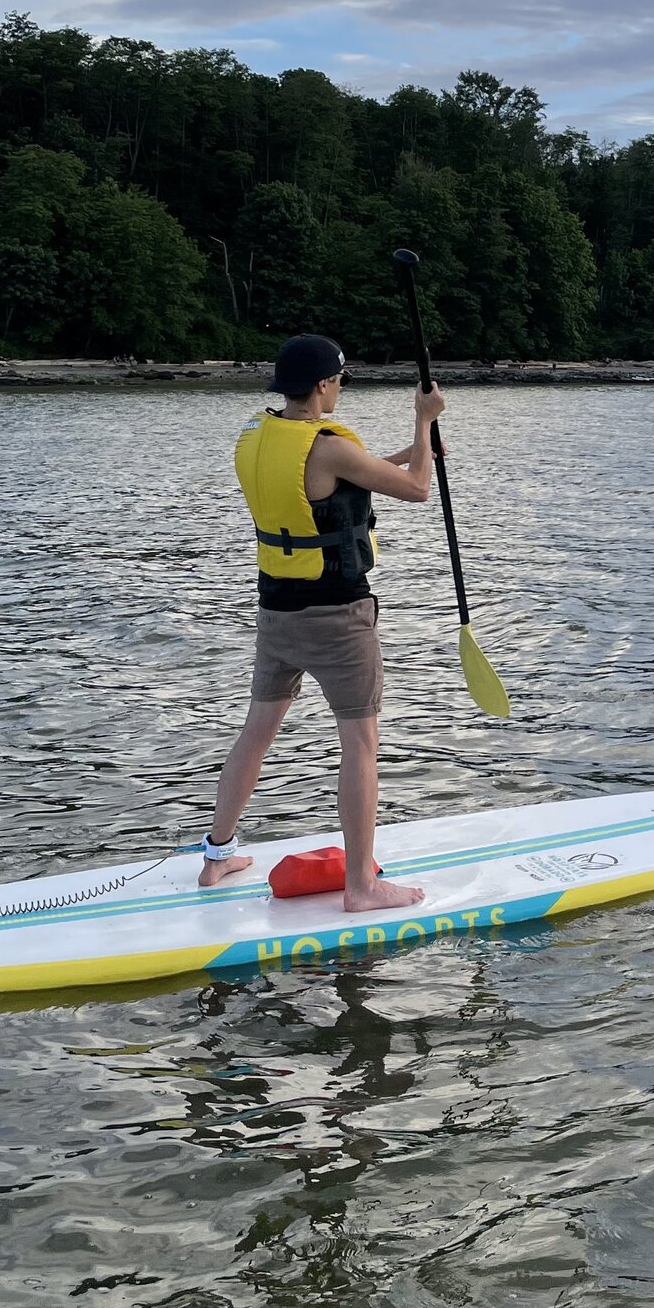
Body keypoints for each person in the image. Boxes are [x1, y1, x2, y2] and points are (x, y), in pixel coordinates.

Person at [199, 334, 442, 914]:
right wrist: (424, 423)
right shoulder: (327, 445)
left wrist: (416, 447)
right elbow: (416, 491)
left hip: (277, 611)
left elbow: (338, 480)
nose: (341, 387)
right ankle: (362, 885)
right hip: (337, 614)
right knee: (360, 742)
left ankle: (217, 857)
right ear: (324, 385)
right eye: (340, 378)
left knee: (258, 728)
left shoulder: (262, 434)